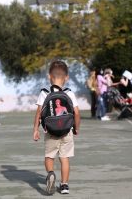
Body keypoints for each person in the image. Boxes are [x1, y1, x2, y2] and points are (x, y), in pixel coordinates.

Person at [33, 60, 81, 195]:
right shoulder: (69, 93)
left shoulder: (44, 93)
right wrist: (76, 128)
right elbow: (76, 113)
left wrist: (35, 130)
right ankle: (64, 185)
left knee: (49, 156)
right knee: (64, 158)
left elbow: (38, 114)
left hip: (50, 131)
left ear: (49, 76)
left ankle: (51, 173)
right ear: (67, 77)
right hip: (67, 131)